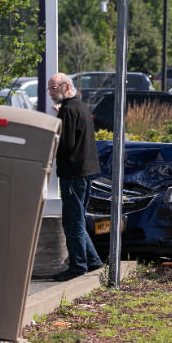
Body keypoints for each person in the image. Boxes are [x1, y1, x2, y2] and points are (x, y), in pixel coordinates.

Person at [47, 73, 104, 280]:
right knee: (77, 219)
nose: (51, 93)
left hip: (73, 173)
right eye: (49, 89)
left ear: (66, 87)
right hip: (85, 172)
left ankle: (78, 267)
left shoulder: (68, 110)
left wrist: (49, 143)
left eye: (54, 88)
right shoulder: (80, 106)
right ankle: (93, 261)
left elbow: (66, 145)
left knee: (72, 222)